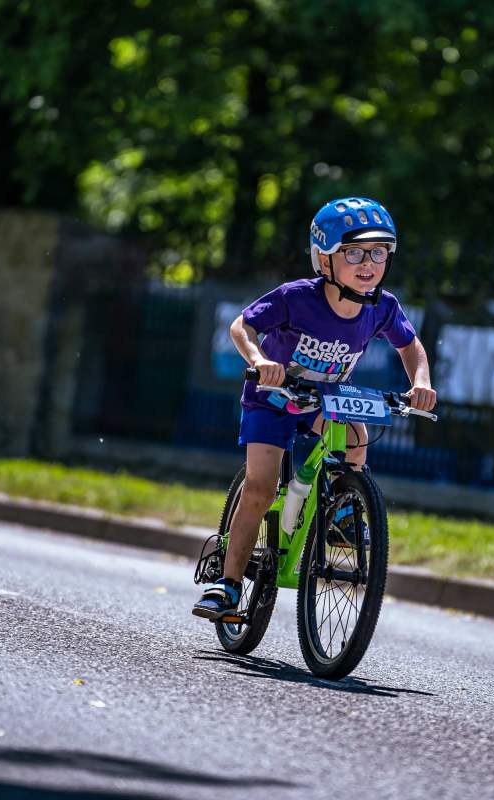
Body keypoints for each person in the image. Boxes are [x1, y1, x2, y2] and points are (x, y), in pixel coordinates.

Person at [192, 196, 437, 619]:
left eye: (379, 252)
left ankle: (347, 508)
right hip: (273, 400)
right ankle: (227, 585)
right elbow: (242, 325)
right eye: (354, 252)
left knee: (358, 433)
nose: (369, 263)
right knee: (262, 486)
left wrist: (421, 381)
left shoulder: (382, 306)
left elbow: (410, 345)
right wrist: (260, 361)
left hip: (322, 401)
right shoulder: (296, 298)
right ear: (324, 260)